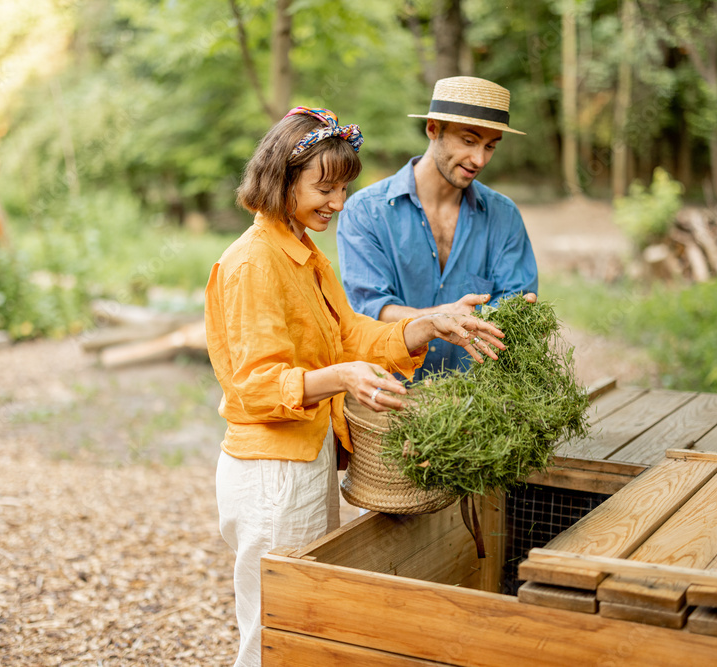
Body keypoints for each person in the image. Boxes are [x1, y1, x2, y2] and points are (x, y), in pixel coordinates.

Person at [204, 106, 507, 667]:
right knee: (275, 630)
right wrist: (343, 377)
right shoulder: (253, 262)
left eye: (344, 188)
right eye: (325, 188)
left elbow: (351, 332)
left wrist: (426, 322)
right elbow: (254, 388)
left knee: (306, 618)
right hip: (272, 471)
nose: (339, 204)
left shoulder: (303, 253)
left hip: (308, 456)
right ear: (281, 179)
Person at [337, 76, 538, 381]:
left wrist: (517, 312)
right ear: (433, 129)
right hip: (390, 397)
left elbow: (516, 304)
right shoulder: (366, 212)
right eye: (469, 141)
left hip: (478, 406)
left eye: (490, 146)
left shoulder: (504, 216)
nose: (479, 159)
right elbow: (371, 310)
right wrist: (441, 318)